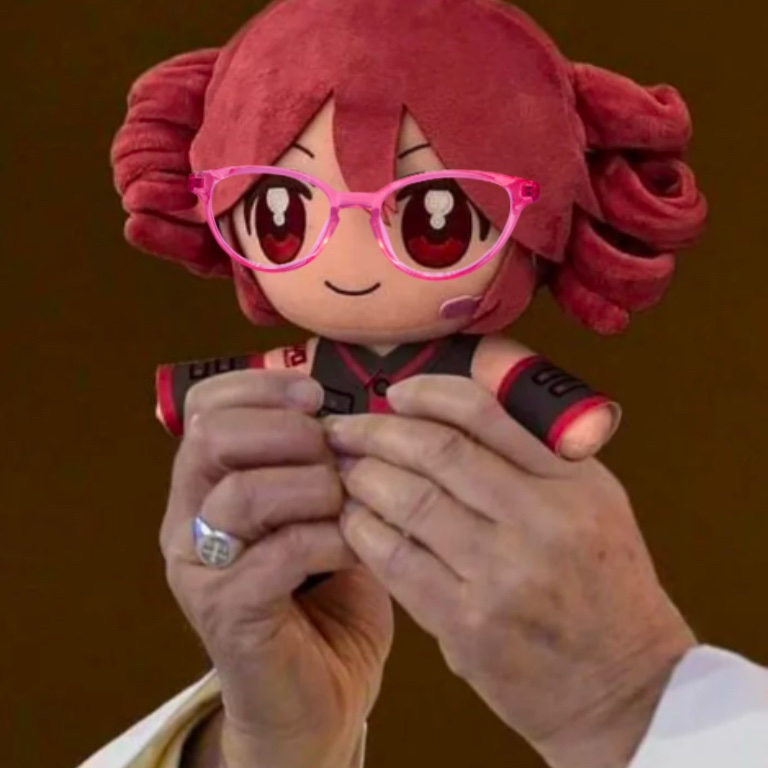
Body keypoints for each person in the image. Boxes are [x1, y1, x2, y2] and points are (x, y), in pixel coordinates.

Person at [79, 0, 768, 766]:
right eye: (282, 213)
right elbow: (243, 382)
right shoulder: (307, 372)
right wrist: (270, 747)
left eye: (432, 222)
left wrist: (631, 699)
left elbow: (537, 391)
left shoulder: (472, 361)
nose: (347, 262)